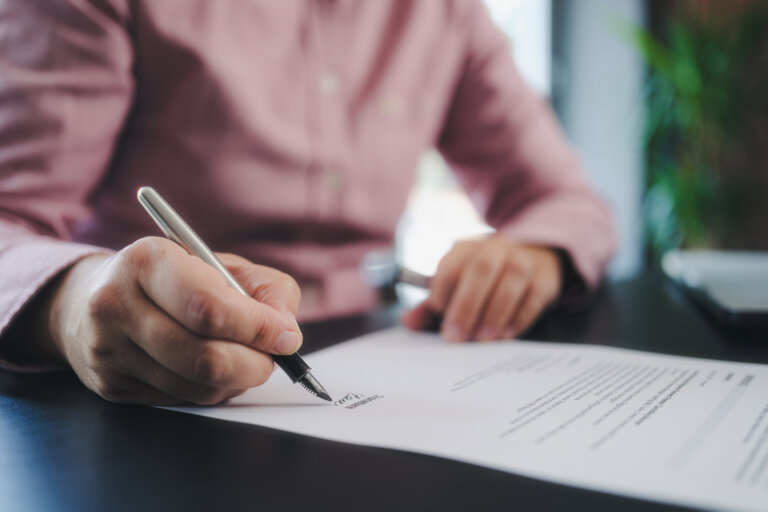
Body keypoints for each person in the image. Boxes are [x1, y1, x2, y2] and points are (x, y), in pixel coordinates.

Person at [0, 0, 615, 405]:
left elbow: (566, 199)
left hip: (383, 353)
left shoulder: (446, 12)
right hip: (143, 387)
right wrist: (71, 302)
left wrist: (535, 252)